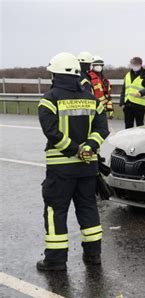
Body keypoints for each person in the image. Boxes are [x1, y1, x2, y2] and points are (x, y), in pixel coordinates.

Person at [36, 52, 109, 271]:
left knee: (56, 211)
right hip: (88, 167)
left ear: (56, 75)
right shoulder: (92, 98)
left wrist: (74, 149)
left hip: (61, 169)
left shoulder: (49, 100)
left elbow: (51, 132)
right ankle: (93, 256)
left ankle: (56, 261)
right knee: (88, 209)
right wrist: (89, 147)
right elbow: (102, 129)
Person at [120, 57, 145, 128]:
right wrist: (122, 103)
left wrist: (141, 93)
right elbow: (124, 89)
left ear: (140, 65)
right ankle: (128, 139)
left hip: (139, 106)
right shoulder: (128, 75)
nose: (134, 66)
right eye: (132, 64)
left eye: (135, 64)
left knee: (140, 127)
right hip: (128, 105)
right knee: (128, 127)